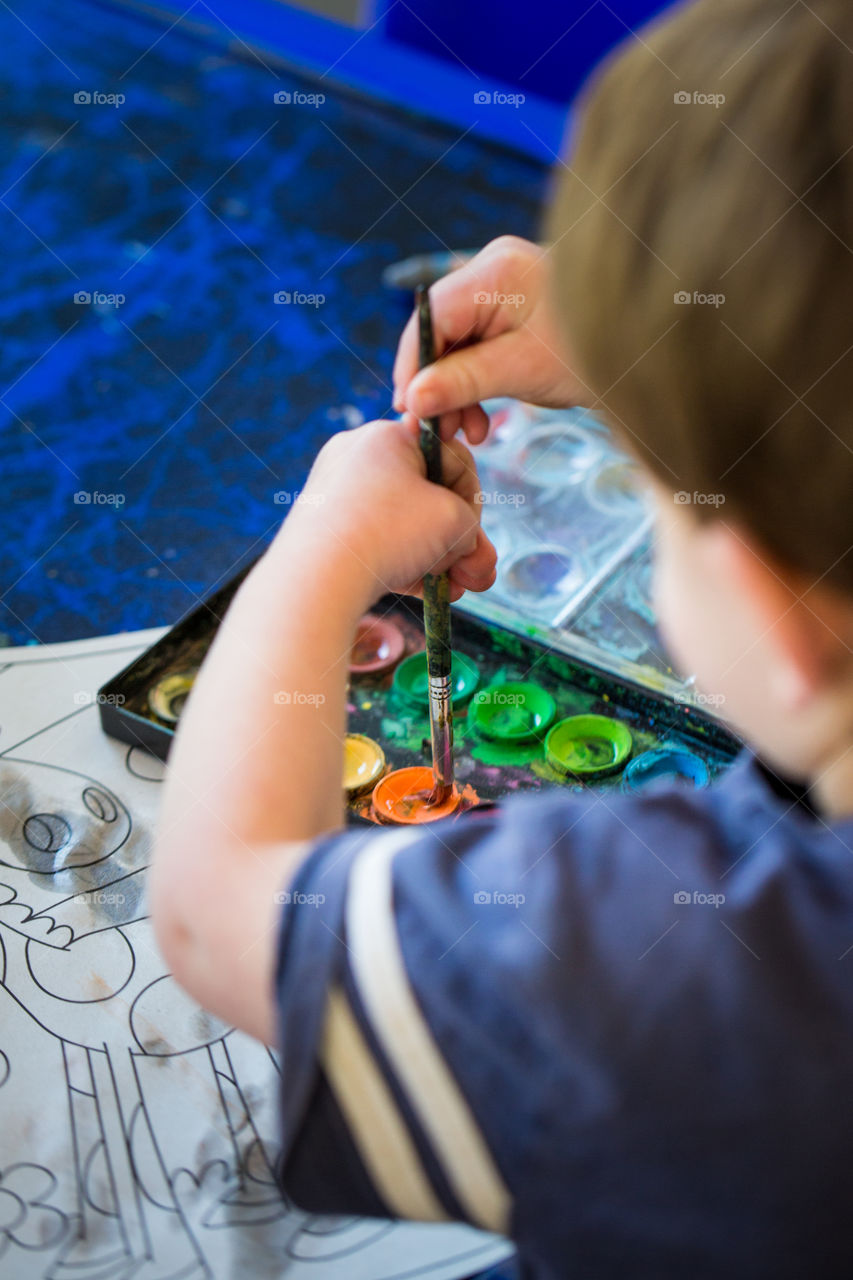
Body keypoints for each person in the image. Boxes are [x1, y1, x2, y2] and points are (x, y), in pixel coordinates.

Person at [150, 0, 853, 1274]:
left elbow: (215, 911)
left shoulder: (654, 959)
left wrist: (321, 552)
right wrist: (667, 348)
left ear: (762, 607)